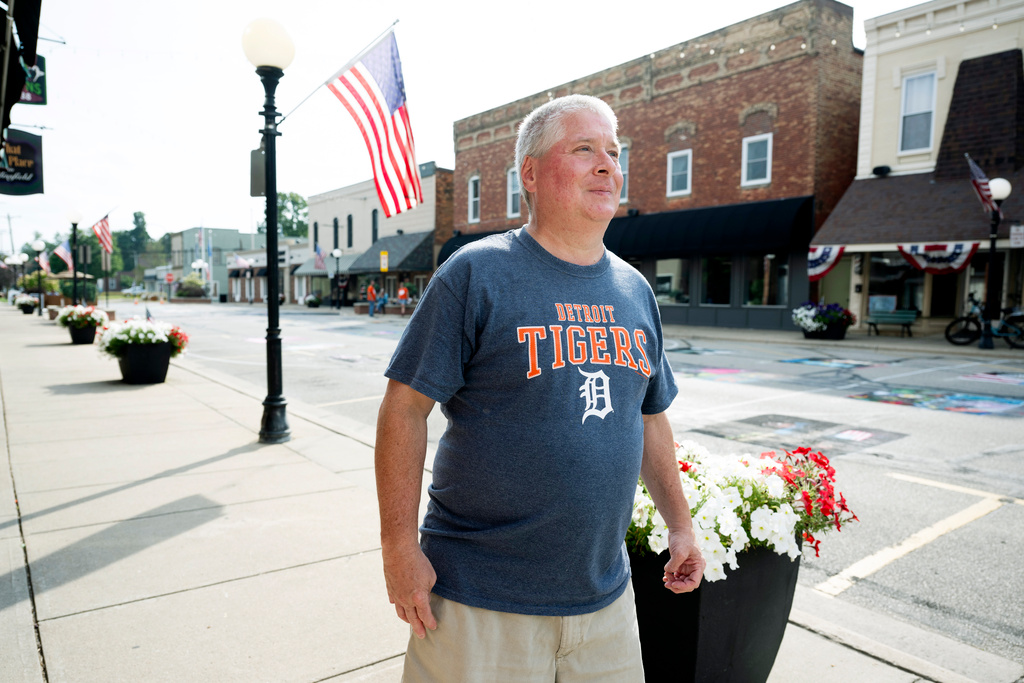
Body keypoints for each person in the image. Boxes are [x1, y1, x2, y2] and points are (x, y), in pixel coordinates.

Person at [375, 94, 704, 682]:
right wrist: (399, 546)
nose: (607, 164)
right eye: (584, 149)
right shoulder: (476, 273)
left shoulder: (635, 291)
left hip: (605, 603)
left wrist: (679, 524)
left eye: (613, 151)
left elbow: (649, 417)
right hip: (480, 598)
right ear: (530, 173)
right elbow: (404, 408)